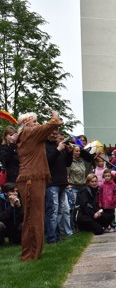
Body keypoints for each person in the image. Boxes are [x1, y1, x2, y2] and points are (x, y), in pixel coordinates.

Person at [16, 111, 62, 261]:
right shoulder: (29, 132)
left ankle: (34, 251)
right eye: (35, 121)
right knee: (33, 217)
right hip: (31, 179)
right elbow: (52, 124)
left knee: (36, 216)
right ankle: (30, 254)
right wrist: (55, 115)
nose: (37, 124)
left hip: (34, 178)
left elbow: (50, 129)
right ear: (27, 124)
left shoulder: (29, 134)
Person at [45, 129, 73, 244]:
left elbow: (67, 163)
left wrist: (69, 153)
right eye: (52, 134)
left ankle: (56, 234)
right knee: (53, 210)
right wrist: (58, 150)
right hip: (52, 183)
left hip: (62, 183)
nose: (54, 136)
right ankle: (51, 237)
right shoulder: (45, 146)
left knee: (60, 211)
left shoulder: (60, 147)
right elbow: (47, 161)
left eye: (56, 134)